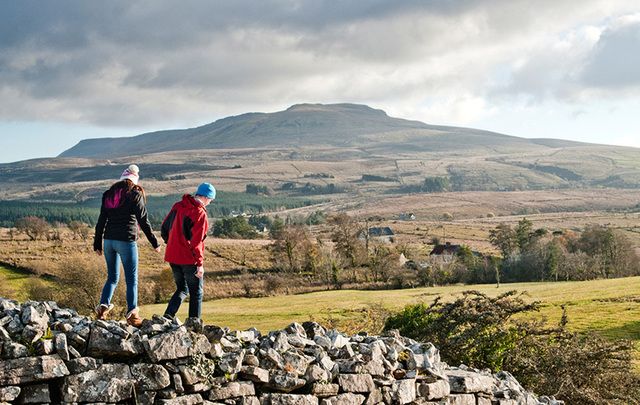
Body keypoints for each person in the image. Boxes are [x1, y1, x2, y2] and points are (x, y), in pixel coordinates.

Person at [93, 165, 161, 326]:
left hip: (109, 240)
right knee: (131, 280)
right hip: (126, 240)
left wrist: (97, 244)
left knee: (112, 278)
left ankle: (103, 308)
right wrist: (155, 242)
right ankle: (132, 316)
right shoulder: (135, 194)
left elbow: (101, 221)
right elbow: (143, 221)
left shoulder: (108, 194)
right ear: (135, 180)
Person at [160, 182, 215, 320]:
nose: (209, 203)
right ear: (206, 198)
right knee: (196, 292)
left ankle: (167, 317)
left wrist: (172, 244)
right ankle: (194, 325)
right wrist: (199, 264)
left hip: (172, 256)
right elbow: (197, 242)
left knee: (182, 289)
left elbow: (164, 228)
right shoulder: (200, 213)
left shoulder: (178, 206)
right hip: (189, 259)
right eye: (210, 200)